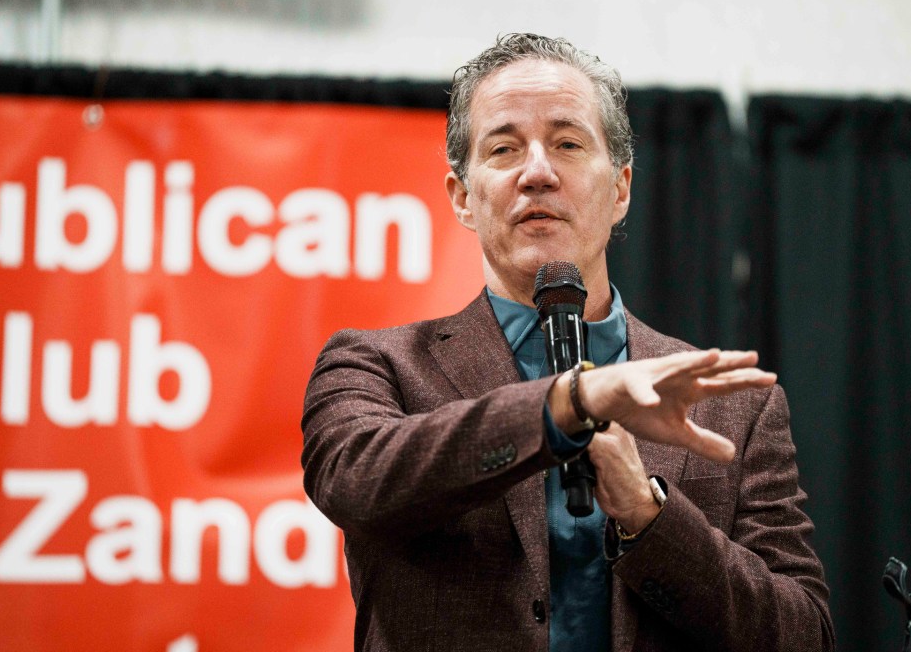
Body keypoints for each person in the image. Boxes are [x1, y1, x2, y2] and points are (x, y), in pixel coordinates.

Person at [302, 33, 833, 651]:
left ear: (621, 189)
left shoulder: (733, 406)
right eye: (503, 148)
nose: (537, 172)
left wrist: (648, 513)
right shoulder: (376, 365)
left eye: (568, 143)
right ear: (462, 197)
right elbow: (356, 481)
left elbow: (802, 636)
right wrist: (568, 404)